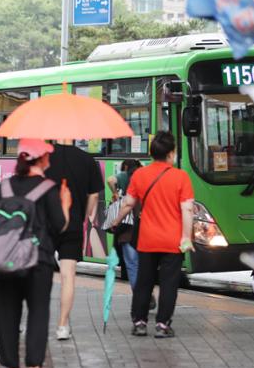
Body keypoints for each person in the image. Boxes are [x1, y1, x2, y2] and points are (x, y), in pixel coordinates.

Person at [0, 139, 70, 368]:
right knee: (38, 313)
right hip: (38, 261)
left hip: (5, 261)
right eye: (48, 156)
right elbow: (58, 227)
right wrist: (64, 204)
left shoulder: (6, 186)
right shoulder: (48, 188)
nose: (50, 160)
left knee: (7, 314)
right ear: (41, 159)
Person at [113, 131, 194, 338]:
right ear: (171, 153)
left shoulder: (140, 175)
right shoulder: (181, 177)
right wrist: (186, 237)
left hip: (147, 240)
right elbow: (187, 209)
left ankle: (139, 322)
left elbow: (128, 204)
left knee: (144, 282)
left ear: (152, 153)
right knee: (169, 284)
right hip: (172, 241)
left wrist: (116, 220)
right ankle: (162, 325)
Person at [46, 141, 104, 341]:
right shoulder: (87, 160)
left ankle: (36, 319)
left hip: (47, 224)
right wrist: (86, 214)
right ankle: (62, 325)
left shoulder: (44, 157)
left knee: (40, 274)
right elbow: (94, 194)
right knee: (68, 276)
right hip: (73, 226)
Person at [107, 159, 143, 289]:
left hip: (126, 227)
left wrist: (115, 193)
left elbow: (110, 180)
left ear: (126, 167)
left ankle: (140, 295)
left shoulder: (123, 176)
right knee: (141, 263)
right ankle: (144, 292)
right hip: (143, 226)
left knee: (132, 264)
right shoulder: (143, 177)